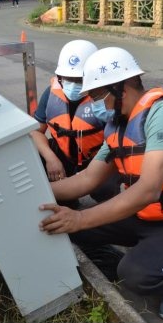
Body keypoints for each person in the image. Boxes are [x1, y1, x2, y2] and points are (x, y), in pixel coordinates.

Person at [38, 47, 163, 321]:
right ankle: (162, 252)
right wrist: (34, 194)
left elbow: (148, 189)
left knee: (136, 275)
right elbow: (87, 179)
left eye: (96, 97)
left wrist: (81, 217)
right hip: (149, 215)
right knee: (70, 232)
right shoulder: (117, 125)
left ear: (121, 88)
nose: (93, 105)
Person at [31, 40, 120, 205]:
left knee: (104, 189)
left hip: (97, 157)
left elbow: (117, 141)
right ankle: (67, 198)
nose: (73, 85)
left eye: (79, 80)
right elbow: (35, 131)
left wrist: (91, 172)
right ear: (60, 76)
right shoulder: (51, 94)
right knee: (34, 157)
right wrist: (51, 159)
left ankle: (107, 206)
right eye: (68, 79)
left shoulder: (104, 97)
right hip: (64, 156)